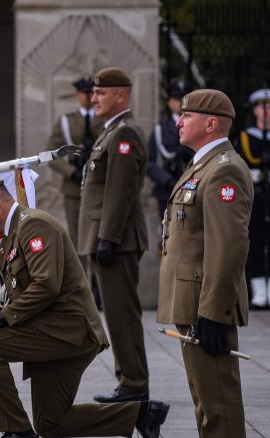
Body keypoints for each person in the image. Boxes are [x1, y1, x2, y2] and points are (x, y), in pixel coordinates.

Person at [0, 176, 169, 438]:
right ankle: (141, 415)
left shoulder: (35, 225)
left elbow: (46, 284)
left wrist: (3, 319)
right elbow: (2, 302)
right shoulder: (5, 245)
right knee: (51, 422)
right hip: (50, 332)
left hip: (69, 331)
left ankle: (17, 432)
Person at [158, 89, 251, 438]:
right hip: (190, 301)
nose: (178, 121)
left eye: (186, 115)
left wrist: (213, 311)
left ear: (211, 123)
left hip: (204, 305)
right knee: (205, 401)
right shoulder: (203, 166)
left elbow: (227, 249)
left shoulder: (224, 171)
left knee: (218, 401)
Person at [78, 67, 149, 403]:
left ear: (121, 95)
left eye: (101, 93)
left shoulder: (124, 134)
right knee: (116, 312)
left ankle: (133, 383)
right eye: (94, 93)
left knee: (122, 313)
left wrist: (108, 238)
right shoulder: (111, 131)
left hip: (116, 241)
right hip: (107, 238)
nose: (94, 98)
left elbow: (120, 191)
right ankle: (128, 379)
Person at [46, 77, 104, 248]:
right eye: (83, 92)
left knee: (99, 235)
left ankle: (96, 275)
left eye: (90, 92)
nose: (86, 97)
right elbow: (51, 153)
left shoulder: (104, 120)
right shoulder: (66, 121)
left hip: (99, 182)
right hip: (74, 186)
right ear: (78, 95)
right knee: (77, 236)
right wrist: (71, 172)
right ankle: (81, 274)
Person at [236, 88, 270, 308]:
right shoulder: (245, 137)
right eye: (262, 107)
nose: (266, 112)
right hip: (255, 195)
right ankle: (259, 293)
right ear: (254, 111)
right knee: (256, 240)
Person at [147, 79, 194, 251]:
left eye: (184, 99)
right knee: (168, 236)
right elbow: (148, 161)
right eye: (176, 98)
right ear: (169, 101)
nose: (180, 103)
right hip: (166, 189)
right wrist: (166, 179)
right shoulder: (160, 129)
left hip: (192, 186)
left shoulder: (197, 126)